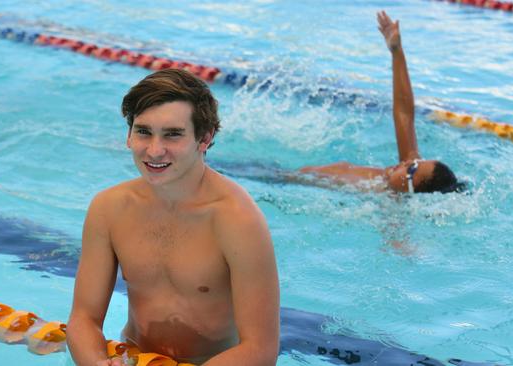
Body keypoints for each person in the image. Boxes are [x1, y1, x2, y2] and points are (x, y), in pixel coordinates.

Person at [66, 69, 280, 366]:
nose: (154, 150)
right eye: (143, 131)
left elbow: (260, 349)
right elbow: (83, 319)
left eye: (173, 134)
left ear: (204, 138)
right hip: (134, 356)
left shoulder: (237, 220)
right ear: (128, 136)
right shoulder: (109, 208)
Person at [298, 11, 463, 194]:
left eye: (413, 169)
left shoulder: (390, 202)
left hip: (283, 183)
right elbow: (404, 113)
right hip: (287, 175)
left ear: (411, 190)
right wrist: (397, 52)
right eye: (416, 162)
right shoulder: (400, 171)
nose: (409, 161)